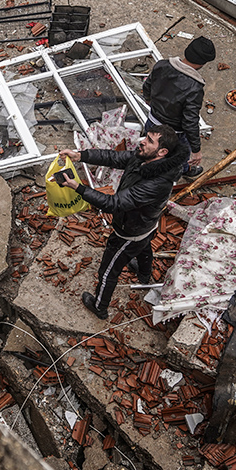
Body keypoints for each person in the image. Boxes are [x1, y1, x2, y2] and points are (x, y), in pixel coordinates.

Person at [58, 124, 187, 320]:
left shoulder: (156, 184)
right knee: (144, 247)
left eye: (149, 140)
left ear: (162, 152)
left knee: (108, 271)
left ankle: (100, 306)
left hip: (130, 232)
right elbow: (113, 157)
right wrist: (80, 155)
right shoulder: (144, 158)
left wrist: (78, 188)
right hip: (146, 224)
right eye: (146, 136)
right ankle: (144, 275)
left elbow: (113, 203)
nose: (142, 141)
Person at [142, 36, 215, 179]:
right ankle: (181, 172)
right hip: (175, 133)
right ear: (203, 63)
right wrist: (196, 150)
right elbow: (190, 121)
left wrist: (150, 100)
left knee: (151, 150)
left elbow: (147, 87)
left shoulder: (162, 65)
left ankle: (148, 167)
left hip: (153, 122)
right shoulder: (195, 87)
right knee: (179, 158)